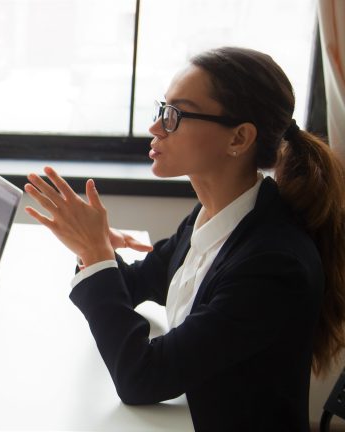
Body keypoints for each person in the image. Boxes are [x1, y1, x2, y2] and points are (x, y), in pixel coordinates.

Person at [25, 47, 345, 431]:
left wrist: (97, 253)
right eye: (162, 109)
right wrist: (91, 248)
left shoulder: (273, 263)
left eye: (176, 115)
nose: (156, 127)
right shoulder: (212, 215)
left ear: (239, 138)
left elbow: (142, 378)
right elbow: (134, 284)